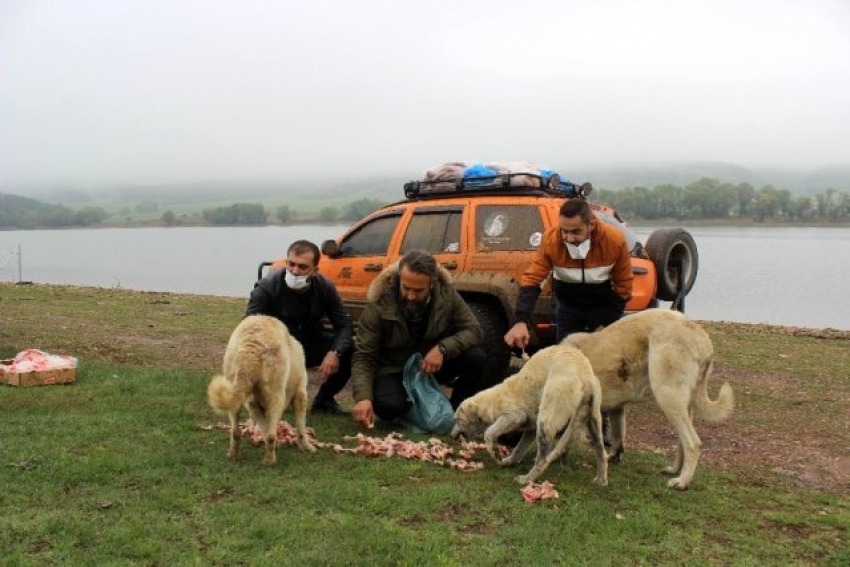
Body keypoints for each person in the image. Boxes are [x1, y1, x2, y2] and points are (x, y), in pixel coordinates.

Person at [503, 199, 633, 444]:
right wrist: (520, 320)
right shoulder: (552, 240)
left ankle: (598, 424)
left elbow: (624, 288)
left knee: (599, 366)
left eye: (576, 231)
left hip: (602, 306)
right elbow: (533, 280)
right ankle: (561, 426)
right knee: (564, 363)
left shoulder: (614, 241)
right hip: (568, 306)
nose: (570, 237)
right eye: (565, 231)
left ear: (591, 225)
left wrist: (606, 323)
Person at [350, 250, 486, 429]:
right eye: (406, 288)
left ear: (432, 284)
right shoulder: (379, 303)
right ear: (399, 278)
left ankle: (458, 413)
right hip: (393, 368)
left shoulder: (448, 295)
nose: (411, 296)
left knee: (476, 357)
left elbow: (474, 330)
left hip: (430, 366)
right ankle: (415, 409)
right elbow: (364, 357)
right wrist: (363, 398)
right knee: (388, 407)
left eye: (418, 290)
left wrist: (443, 348)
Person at [246, 239, 353, 414]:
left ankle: (323, 401)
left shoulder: (325, 288)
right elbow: (249, 326)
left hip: (309, 342)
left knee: (350, 350)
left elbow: (344, 324)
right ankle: (265, 397)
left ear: (315, 270)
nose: (295, 271)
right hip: (277, 347)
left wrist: (335, 353)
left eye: (302, 267)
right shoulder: (267, 287)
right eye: (291, 264)